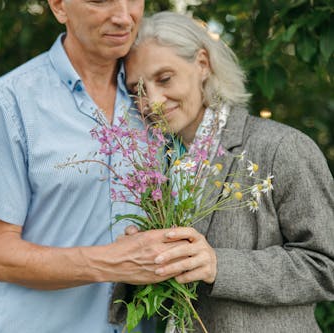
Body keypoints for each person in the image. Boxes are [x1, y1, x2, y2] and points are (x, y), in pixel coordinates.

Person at [0, 1, 193, 332]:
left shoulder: (156, 97)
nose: (124, 17)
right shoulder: (9, 101)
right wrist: (114, 263)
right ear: (58, 6)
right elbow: (1, 257)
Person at [111, 11, 334, 333]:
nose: (152, 102)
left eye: (164, 79)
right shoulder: (155, 163)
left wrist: (218, 265)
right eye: (138, 90)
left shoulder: (281, 147)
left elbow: (326, 266)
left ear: (202, 63)